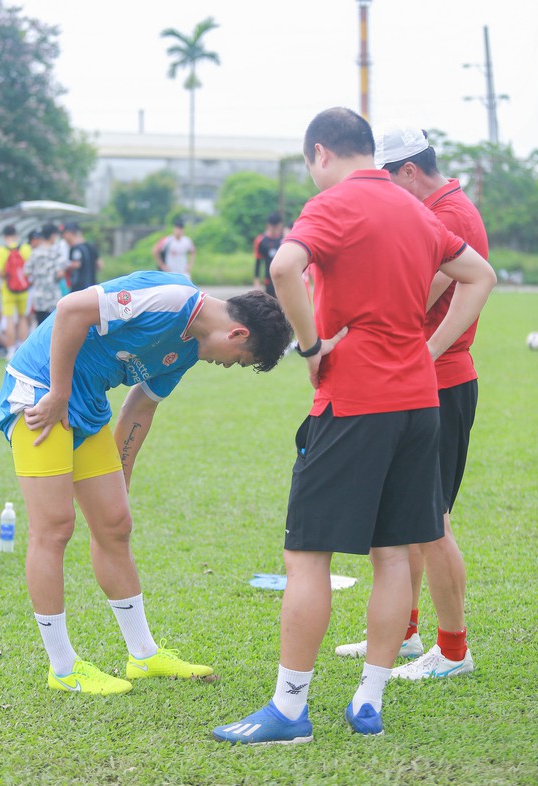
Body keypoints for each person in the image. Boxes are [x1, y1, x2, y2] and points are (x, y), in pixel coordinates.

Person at [212, 107, 496, 744]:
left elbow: (285, 268)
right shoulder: (417, 210)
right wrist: (427, 351)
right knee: (393, 552)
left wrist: (312, 349)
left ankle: (288, 710)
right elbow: (480, 275)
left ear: (320, 154)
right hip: (419, 402)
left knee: (306, 555)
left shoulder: (335, 204)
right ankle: (369, 698)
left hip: (354, 401)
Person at [0, 269, 292, 696]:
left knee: (115, 525)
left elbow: (139, 409)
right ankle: (62, 667)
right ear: (238, 334)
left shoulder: (188, 351)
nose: (227, 366)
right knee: (55, 527)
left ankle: (143, 654)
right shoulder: (171, 299)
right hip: (41, 391)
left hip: (89, 401)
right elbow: (71, 309)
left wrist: (121, 478)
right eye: (239, 361)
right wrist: (58, 392)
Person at [335, 123, 489, 679]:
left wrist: (417, 351)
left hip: (439, 380)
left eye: (388, 179)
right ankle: (405, 632)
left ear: (407, 171)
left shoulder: (446, 216)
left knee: (431, 521)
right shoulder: (441, 206)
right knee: (407, 514)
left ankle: (453, 652)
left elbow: (414, 295)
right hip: (426, 379)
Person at [0, 225, 31, 359]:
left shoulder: (2, 250)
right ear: (16, 234)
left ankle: (10, 350)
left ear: (4, 236)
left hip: (8, 290)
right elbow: (29, 269)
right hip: (23, 290)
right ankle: (23, 347)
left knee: (9, 319)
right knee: (22, 318)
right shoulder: (25, 248)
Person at [23, 224, 67, 325]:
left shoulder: (35, 252)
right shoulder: (56, 252)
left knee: (40, 326)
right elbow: (60, 274)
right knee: (53, 327)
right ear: (52, 236)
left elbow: (26, 271)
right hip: (53, 297)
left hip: (39, 297)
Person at [61, 221, 102, 292]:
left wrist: (66, 267)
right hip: (93, 287)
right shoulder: (91, 246)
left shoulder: (76, 248)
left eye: (64, 234)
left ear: (69, 234)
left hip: (79, 288)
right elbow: (100, 265)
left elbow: (77, 264)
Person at [253, 212, 284, 296]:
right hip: (269, 281)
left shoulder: (285, 239)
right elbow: (258, 262)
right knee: (271, 306)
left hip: (284, 279)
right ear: (268, 226)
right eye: (274, 227)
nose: (276, 230)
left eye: (278, 227)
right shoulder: (261, 240)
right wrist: (257, 282)